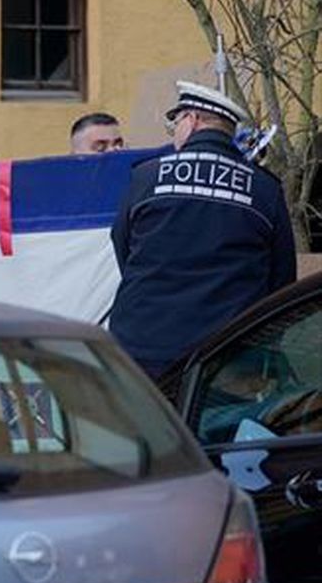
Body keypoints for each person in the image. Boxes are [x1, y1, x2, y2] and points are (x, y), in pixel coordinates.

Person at [110, 81, 297, 378]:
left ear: (192, 119)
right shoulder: (264, 189)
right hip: (226, 358)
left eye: (176, 122)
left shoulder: (147, 176)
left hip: (142, 349)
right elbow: (282, 277)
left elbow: (122, 246)